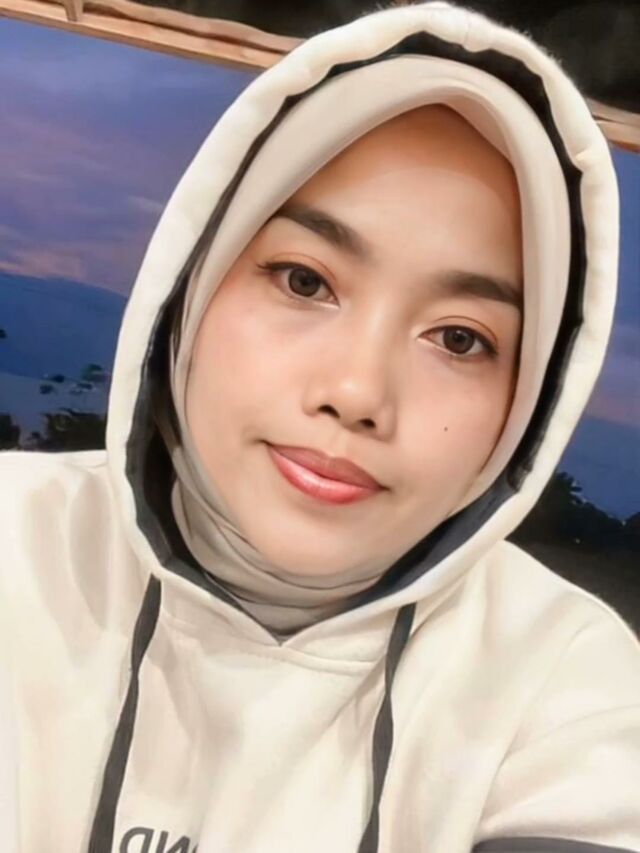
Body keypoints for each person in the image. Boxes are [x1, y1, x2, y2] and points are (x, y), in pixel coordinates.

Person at [0, 2, 638, 852]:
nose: (357, 391)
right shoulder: (17, 543)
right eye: (305, 280)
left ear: (526, 405)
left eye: (459, 339)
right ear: (194, 283)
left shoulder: (563, 680)